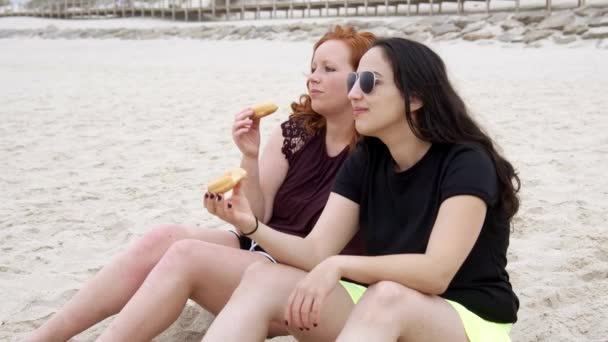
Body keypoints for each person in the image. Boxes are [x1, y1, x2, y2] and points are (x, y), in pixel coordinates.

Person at [27, 25, 376, 342]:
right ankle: (44, 337)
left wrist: (250, 226)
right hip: (261, 253)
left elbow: (315, 250)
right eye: (313, 67)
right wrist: (249, 157)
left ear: (362, 82)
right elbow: (261, 214)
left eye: (329, 69)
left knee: (186, 254)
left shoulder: (374, 151)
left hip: (314, 283)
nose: (313, 78)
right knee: (161, 238)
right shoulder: (296, 132)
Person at [201, 37, 521, 342]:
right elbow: (315, 251)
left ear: (414, 97)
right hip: (381, 310)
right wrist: (250, 225)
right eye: (354, 81)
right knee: (262, 278)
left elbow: (436, 272)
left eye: (369, 82)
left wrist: (339, 264)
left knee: (387, 296)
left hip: (466, 319)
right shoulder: (366, 158)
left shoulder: (466, 162)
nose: (354, 93)